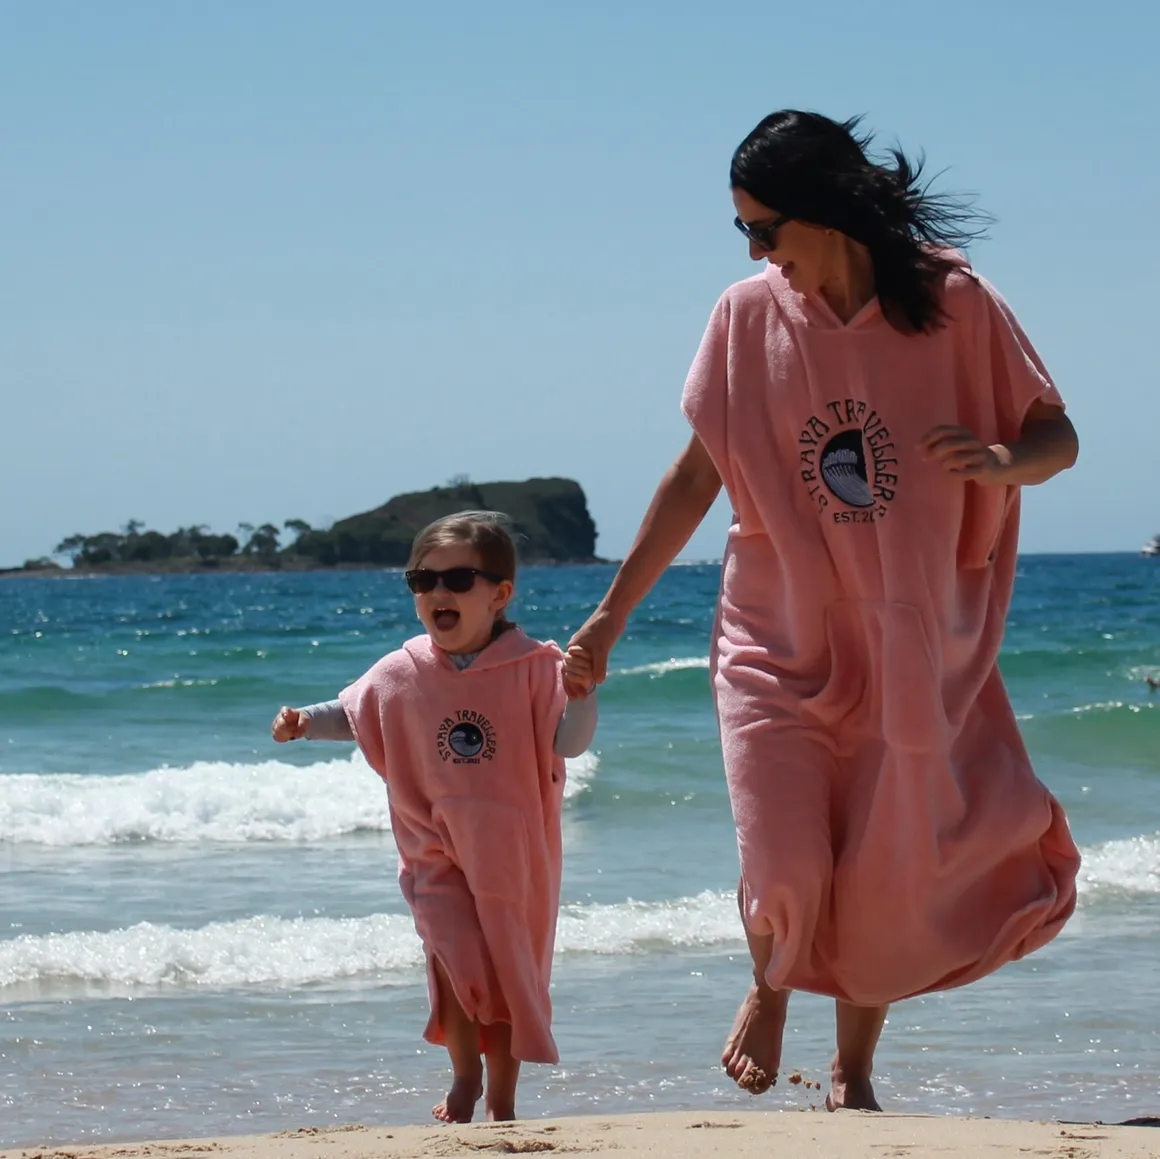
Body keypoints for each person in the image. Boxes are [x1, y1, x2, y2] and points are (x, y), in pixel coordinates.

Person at [565, 110, 1081, 1112]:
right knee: (782, 843)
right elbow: (692, 477)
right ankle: (767, 985)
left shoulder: (952, 303)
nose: (757, 253)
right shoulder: (745, 315)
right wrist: (606, 619)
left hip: (912, 642)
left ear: (828, 213)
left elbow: (1054, 434)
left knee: (881, 865)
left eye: (766, 229)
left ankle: (849, 1074)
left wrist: (1001, 463)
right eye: (743, 235)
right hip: (773, 629)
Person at [273, 511, 597, 1124]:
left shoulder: (533, 667)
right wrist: (304, 723)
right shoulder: (402, 669)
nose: (437, 593)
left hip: (510, 853)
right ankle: (464, 1076)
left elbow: (569, 743)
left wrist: (583, 695)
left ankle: (501, 1099)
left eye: (458, 579)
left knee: (504, 978)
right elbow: (355, 711)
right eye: (422, 581)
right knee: (453, 958)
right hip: (432, 847)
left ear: (500, 594)